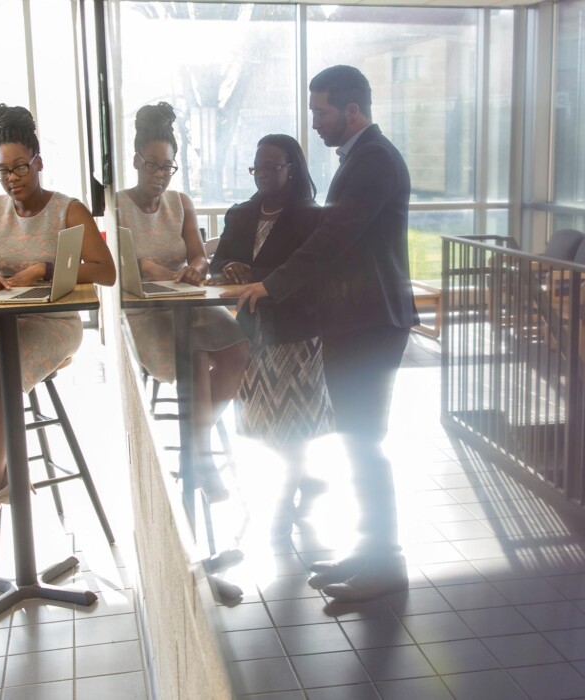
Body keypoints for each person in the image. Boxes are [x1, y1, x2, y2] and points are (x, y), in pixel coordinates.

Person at [226, 65, 416, 602]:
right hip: (357, 320)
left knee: (366, 444)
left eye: (321, 111)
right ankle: (370, 552)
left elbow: (333, 237)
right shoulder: (360, 158)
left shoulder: (373, 160)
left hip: (370, 322)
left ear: (352, 110)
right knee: (357, 443)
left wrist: (273, 284)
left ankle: (387, 564)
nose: (315, 122)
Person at [0, 104, 115, 523]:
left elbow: (106, 272)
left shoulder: (67, 209)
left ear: (39, 163)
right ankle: (14, 466)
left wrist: (46, 269)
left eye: (20, 168)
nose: (12, 178)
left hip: (51, 321)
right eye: (3, 171)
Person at [118, 102, 248, 503]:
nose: (160, 175)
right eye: (152, 165)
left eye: (167, 167)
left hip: (189, 302)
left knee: (238, 349)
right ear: (136, 161)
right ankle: (204, 460)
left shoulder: (181, 203)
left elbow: (199, 256)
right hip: (147, 312)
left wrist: (194, 268)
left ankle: (199, 440)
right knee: (192, 358)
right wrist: (146, 266)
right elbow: (116, 268)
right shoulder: (116, 206)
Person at [208, 134, 332, 533]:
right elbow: (221, 259)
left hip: (295, 330)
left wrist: (255, 275)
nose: (261, 174)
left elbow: (307, 274)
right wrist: (229, 268)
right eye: (257, 167)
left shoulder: (310, 218)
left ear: (291, 169)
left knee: (293, 422)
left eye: (271, 167)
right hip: (251, 329)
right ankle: (307, 479)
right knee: (262, 422)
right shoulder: (241, 214)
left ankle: (288, 495)